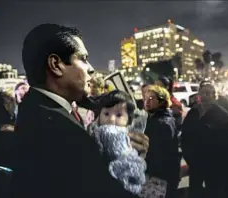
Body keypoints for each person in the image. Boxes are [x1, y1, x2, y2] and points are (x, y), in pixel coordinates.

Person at [11, 24, 149, 198]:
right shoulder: (60, 129)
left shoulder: (35, 109)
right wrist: (132, 161)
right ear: (56, 64)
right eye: (83, 58)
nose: (90, 68)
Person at [181, 82, 228, 198]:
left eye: (209, 93)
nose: (206, 96)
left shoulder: (222, 115)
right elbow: (185, 135)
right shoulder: (193, 113)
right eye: (203, 93)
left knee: (214, 192)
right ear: (198, 95)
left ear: (214, 96)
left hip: (214, 166)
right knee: (195, 192)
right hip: (195, 163)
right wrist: (188, 157)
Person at [91, 90, 147, 194]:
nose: (111, 119)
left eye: (118, 115)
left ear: (128, 120)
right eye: (106, 113)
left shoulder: (133, 138)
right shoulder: (92, 135)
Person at [140, 85, 179, 198]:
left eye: (151, 98)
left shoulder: (163, 123)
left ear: (162, 102)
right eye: (145, 98)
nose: (147, 101)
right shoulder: (150, 119)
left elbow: (159, 155)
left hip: (159, 177)